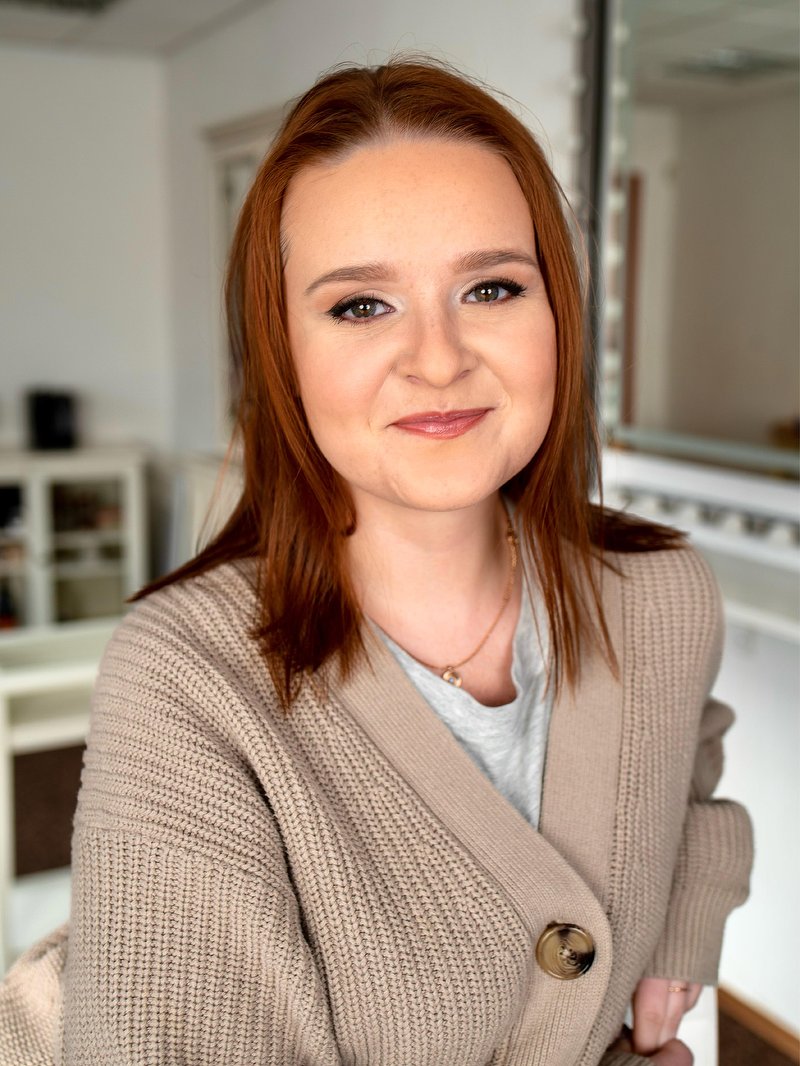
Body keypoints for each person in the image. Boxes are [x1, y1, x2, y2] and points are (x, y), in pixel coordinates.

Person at [0, 59, 752, 1066]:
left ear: (558, 317)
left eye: (491, 287)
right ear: (281, 353)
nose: (437, 359)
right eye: (360, 305)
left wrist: (682, 930)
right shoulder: (186, 675)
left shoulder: (659, 591)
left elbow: (687, 759)